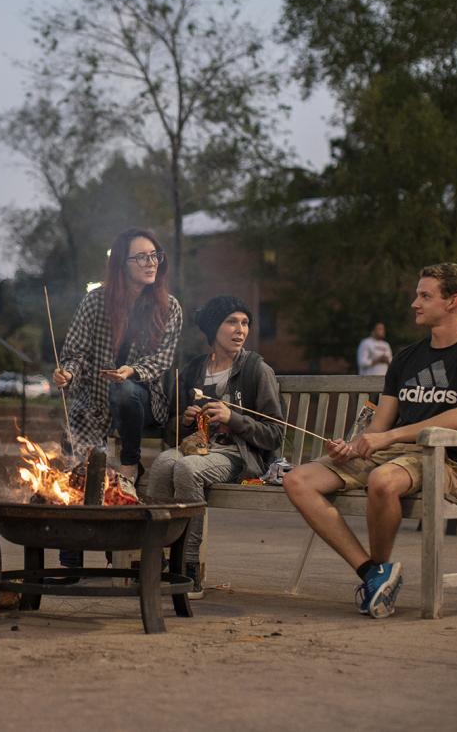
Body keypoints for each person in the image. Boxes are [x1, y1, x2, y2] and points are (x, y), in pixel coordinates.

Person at [284, 263, 457, 619]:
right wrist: (352, 447)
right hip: (395, 454)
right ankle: (373, 574)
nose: (415, 302)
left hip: (446, 459)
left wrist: (391, 435)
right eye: (417, 294)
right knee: (297, 480)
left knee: (383, 482)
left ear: (452, 302)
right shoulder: (405, 358)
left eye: (425, 295)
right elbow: (378, 427)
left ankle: (379, 577)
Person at [144, 296, 284, 597]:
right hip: (199, 449)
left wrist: (233, 418)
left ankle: (188, 565)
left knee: (186, 468)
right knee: (162, 464)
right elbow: (171, 431)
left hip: (239, 455)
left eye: (245, 322)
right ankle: (155, 559)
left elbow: (275, 434)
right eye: (231, 322)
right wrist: (184, 420)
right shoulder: (194, 370)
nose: (240, 330)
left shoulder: (256, 369)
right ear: (213, 328)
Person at [53, 227, 183, 483]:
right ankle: (83, 476)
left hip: (140, 399)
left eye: (155, 255)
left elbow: (162, 358)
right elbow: (76, 353)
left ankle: (130, 463)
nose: (151, 262)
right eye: (141, 257)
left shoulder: (169, 307)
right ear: (121, 264)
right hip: (96, 394)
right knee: (76, 431)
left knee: (125, 390)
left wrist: (132, 371)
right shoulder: (95, 301)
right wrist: (67, 373)